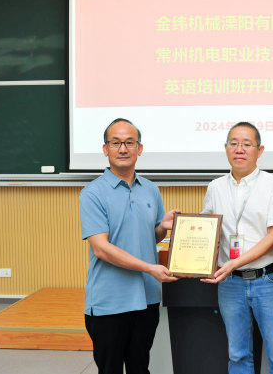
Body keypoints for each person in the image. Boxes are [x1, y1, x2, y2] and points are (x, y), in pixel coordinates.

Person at [79, 118, 179, 374]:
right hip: (109, 301)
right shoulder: (92, 193)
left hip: (146, 298)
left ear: (139, 149)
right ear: (106, 149)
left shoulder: (151, 189)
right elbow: (101, 248)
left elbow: (149, 238)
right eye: (116, 143)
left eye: (129, 143)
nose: (123, 149)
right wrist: (149, 268)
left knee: (140, 368)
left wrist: (162, 227)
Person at [200, 121, 273, 374]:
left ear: (259, 151)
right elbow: (208, 229)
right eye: (234, 143)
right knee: (237, 353)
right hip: (230, 283)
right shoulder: (215, 186)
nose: (239, 149)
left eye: (247, 144)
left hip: (268, 280)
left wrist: (234, 263)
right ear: (226, 148)